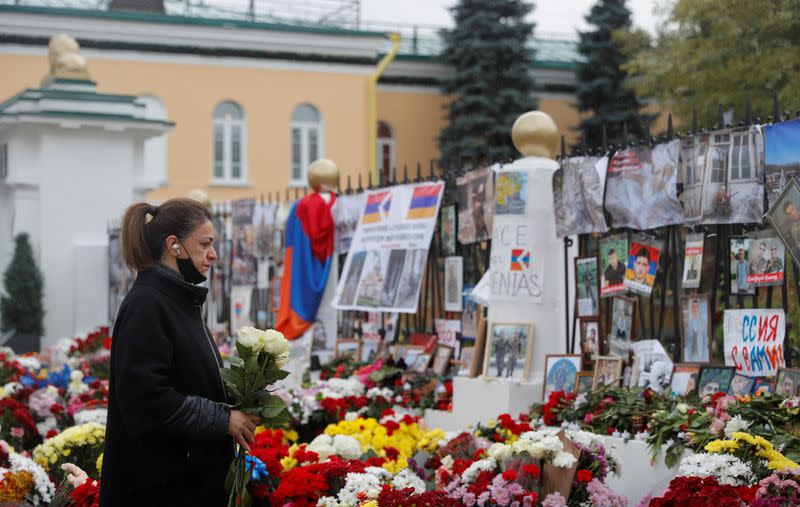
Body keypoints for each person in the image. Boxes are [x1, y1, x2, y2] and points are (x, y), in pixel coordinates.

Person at [101, 199, 259, 506]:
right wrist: (224, 419)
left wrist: (242, 399)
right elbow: (147, 399)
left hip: (183, 483)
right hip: (159, 489)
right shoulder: (148, 304)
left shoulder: (177, 301)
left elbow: (188, 379)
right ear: (174, 245)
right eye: (205, 244)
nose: (213, 255)